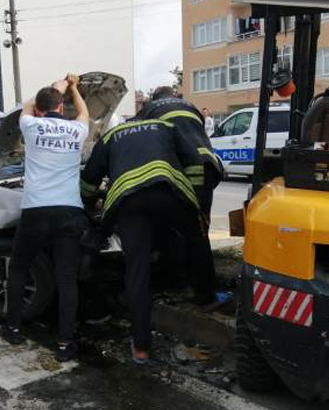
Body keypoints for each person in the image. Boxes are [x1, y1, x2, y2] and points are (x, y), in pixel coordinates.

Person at [80, 109, 212, 364]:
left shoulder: (110, 137)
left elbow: (88, 180)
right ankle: (205, 295)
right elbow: (194, 162)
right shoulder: (165, 127)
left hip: (130, 203)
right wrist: (195, 201)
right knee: (196, 239)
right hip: (171, 193)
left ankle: (140, 347)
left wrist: (90, 202)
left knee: (136, 269)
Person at [0, 74, 90, 363]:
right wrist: (72, 88)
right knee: (66, 277)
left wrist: (55, 86)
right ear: (62, 108)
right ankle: (64, 343)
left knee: (19, 268)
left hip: (36, 210)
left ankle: (13, 327)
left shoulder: (30, 123)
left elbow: (26, 107)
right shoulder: (77, 129)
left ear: (39, 109)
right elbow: (85, 112)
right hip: (69, 210)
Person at [136, 86, 225, 310]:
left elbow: (137, 135)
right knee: (198, 229)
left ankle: (199, 293)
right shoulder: (190, 106)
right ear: (172, 96)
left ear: (154, 98)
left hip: (187, 170)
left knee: (181, 231)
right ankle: (195, 286)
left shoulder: (149, 110)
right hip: (209, 167)